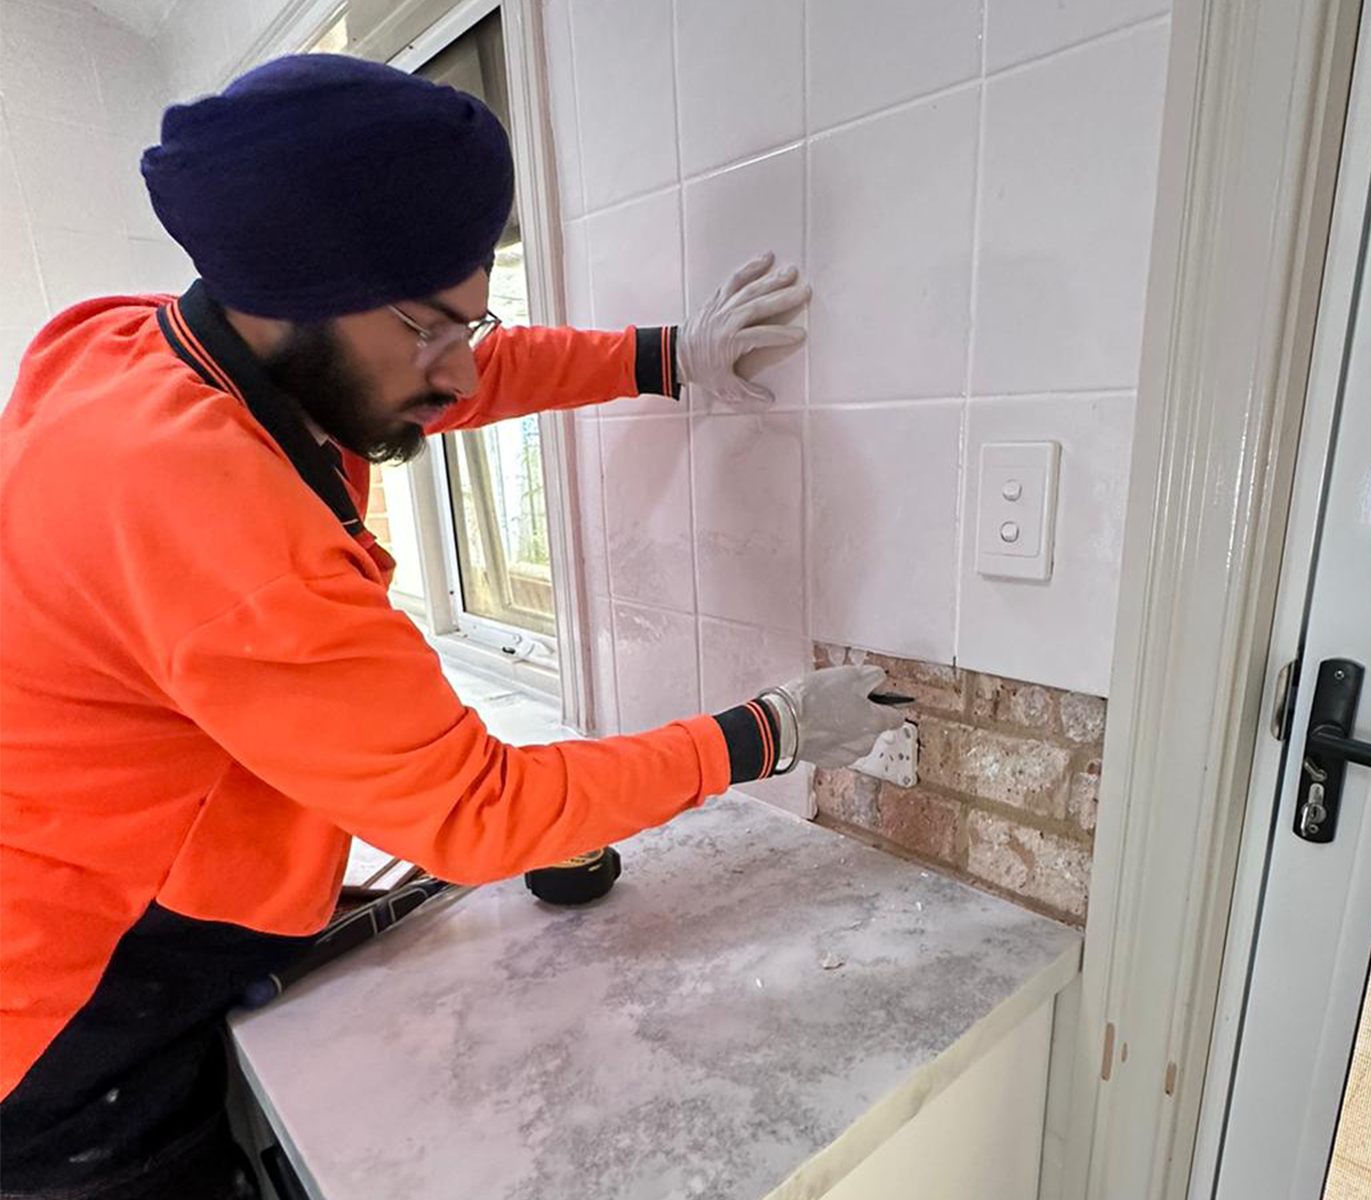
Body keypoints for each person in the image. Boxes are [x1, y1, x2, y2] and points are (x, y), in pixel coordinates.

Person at [0, 53, 901, 1199]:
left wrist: (663, 358)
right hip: (67, 1017)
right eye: (436, 329)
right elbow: (478, 814)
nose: (462, 370)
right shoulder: (222, 520)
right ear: (298, 299)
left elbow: (442, 373)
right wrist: (768, 732)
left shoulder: (140, 342)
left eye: (473, 321)